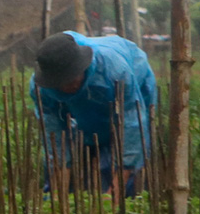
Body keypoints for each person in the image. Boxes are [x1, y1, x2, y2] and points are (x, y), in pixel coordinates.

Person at [32, 31, 157, 194]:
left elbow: (132, 124)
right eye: (60, 83)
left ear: (81, 67)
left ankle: (126, 191)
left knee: (126, 161)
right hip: (85, 109)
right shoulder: (42, 88)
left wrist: (117, 187)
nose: (66, 87)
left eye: (71, 79)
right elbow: (53, 134)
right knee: (83, 140)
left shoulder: (116, 71)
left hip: (134, 81)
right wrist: (58, 195)